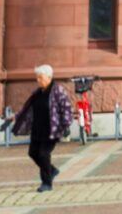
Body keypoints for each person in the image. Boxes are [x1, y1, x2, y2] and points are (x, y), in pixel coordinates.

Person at [10, 63, 74, 193]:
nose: (37, 80)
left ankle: (46, 182)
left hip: (51, 129)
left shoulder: (57, 91)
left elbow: (66, 108)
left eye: (40, 77)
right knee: (33, 153)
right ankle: (52, 170)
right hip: (37, 129)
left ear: (49, 77)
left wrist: (66, 124)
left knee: (44, 154)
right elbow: (27, 108)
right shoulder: (37, 93)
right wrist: (16, 116)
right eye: (37, 77)